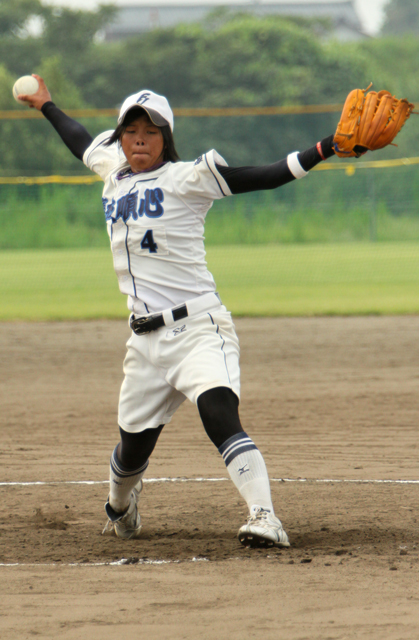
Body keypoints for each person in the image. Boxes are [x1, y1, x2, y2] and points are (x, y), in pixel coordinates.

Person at [20, 74, 337, 549]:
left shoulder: (187, 178)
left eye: (150, 131)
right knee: (131, 452)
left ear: (165, 137)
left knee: (218, 410)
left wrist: (328, 145)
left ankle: (264, 516)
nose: (139, 139)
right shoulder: (113, 170)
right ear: (121, 137)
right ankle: (121, 507)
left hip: (196, 328)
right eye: (131, 131)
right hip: (144, 344)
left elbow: (268, 174)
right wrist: (46, 104)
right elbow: (80, 140)